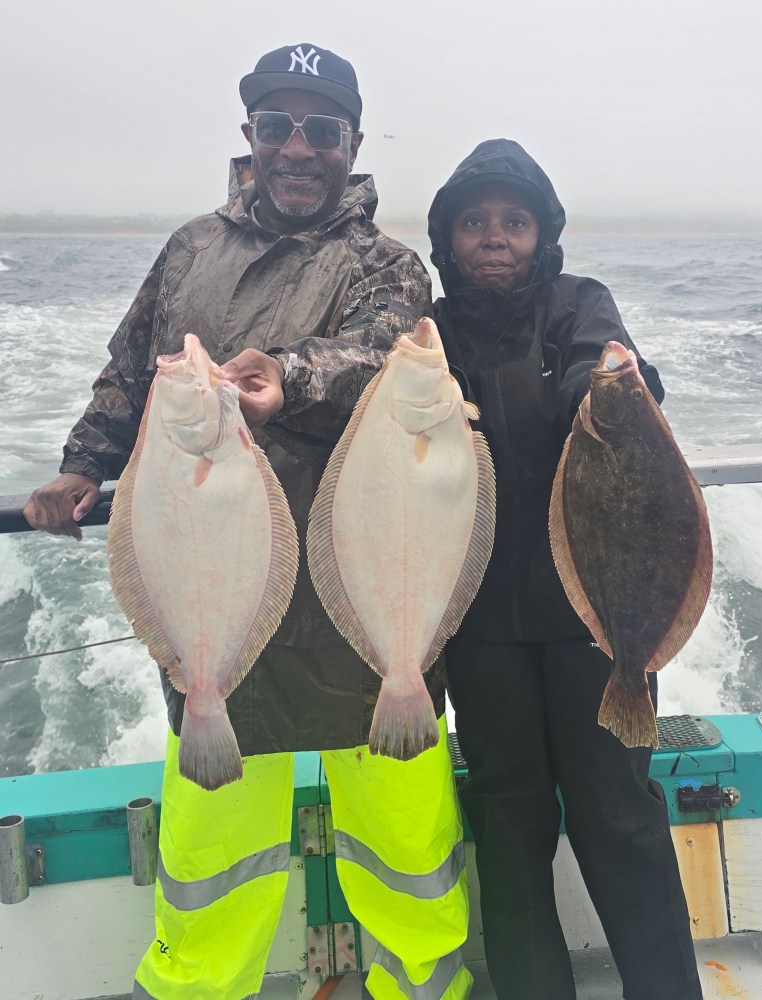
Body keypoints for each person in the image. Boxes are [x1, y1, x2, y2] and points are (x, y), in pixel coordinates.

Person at [24, 44, 472, 1000]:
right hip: (214, 598)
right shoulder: (190, 249)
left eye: (323, 129)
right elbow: (128, 369)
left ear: (352, 144)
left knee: (404, 840)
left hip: (366, 588)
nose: (299, 148)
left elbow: (382, 354)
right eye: (278, 126)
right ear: (249, 140)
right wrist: (81, 467)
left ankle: (421, 989)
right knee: (212, 854)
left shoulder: (387, 264)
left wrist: (290, 378)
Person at [427, 138, 703, 1000]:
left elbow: (605, 359)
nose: (495, 237)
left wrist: (610, 384)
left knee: (618, 816)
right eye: (474, 224)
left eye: (515, 221)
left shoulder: (578, 303)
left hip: (598, 617)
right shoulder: (427, 336)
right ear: (448, 242)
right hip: (481, 632)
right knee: (508, 825)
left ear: (543, 233)